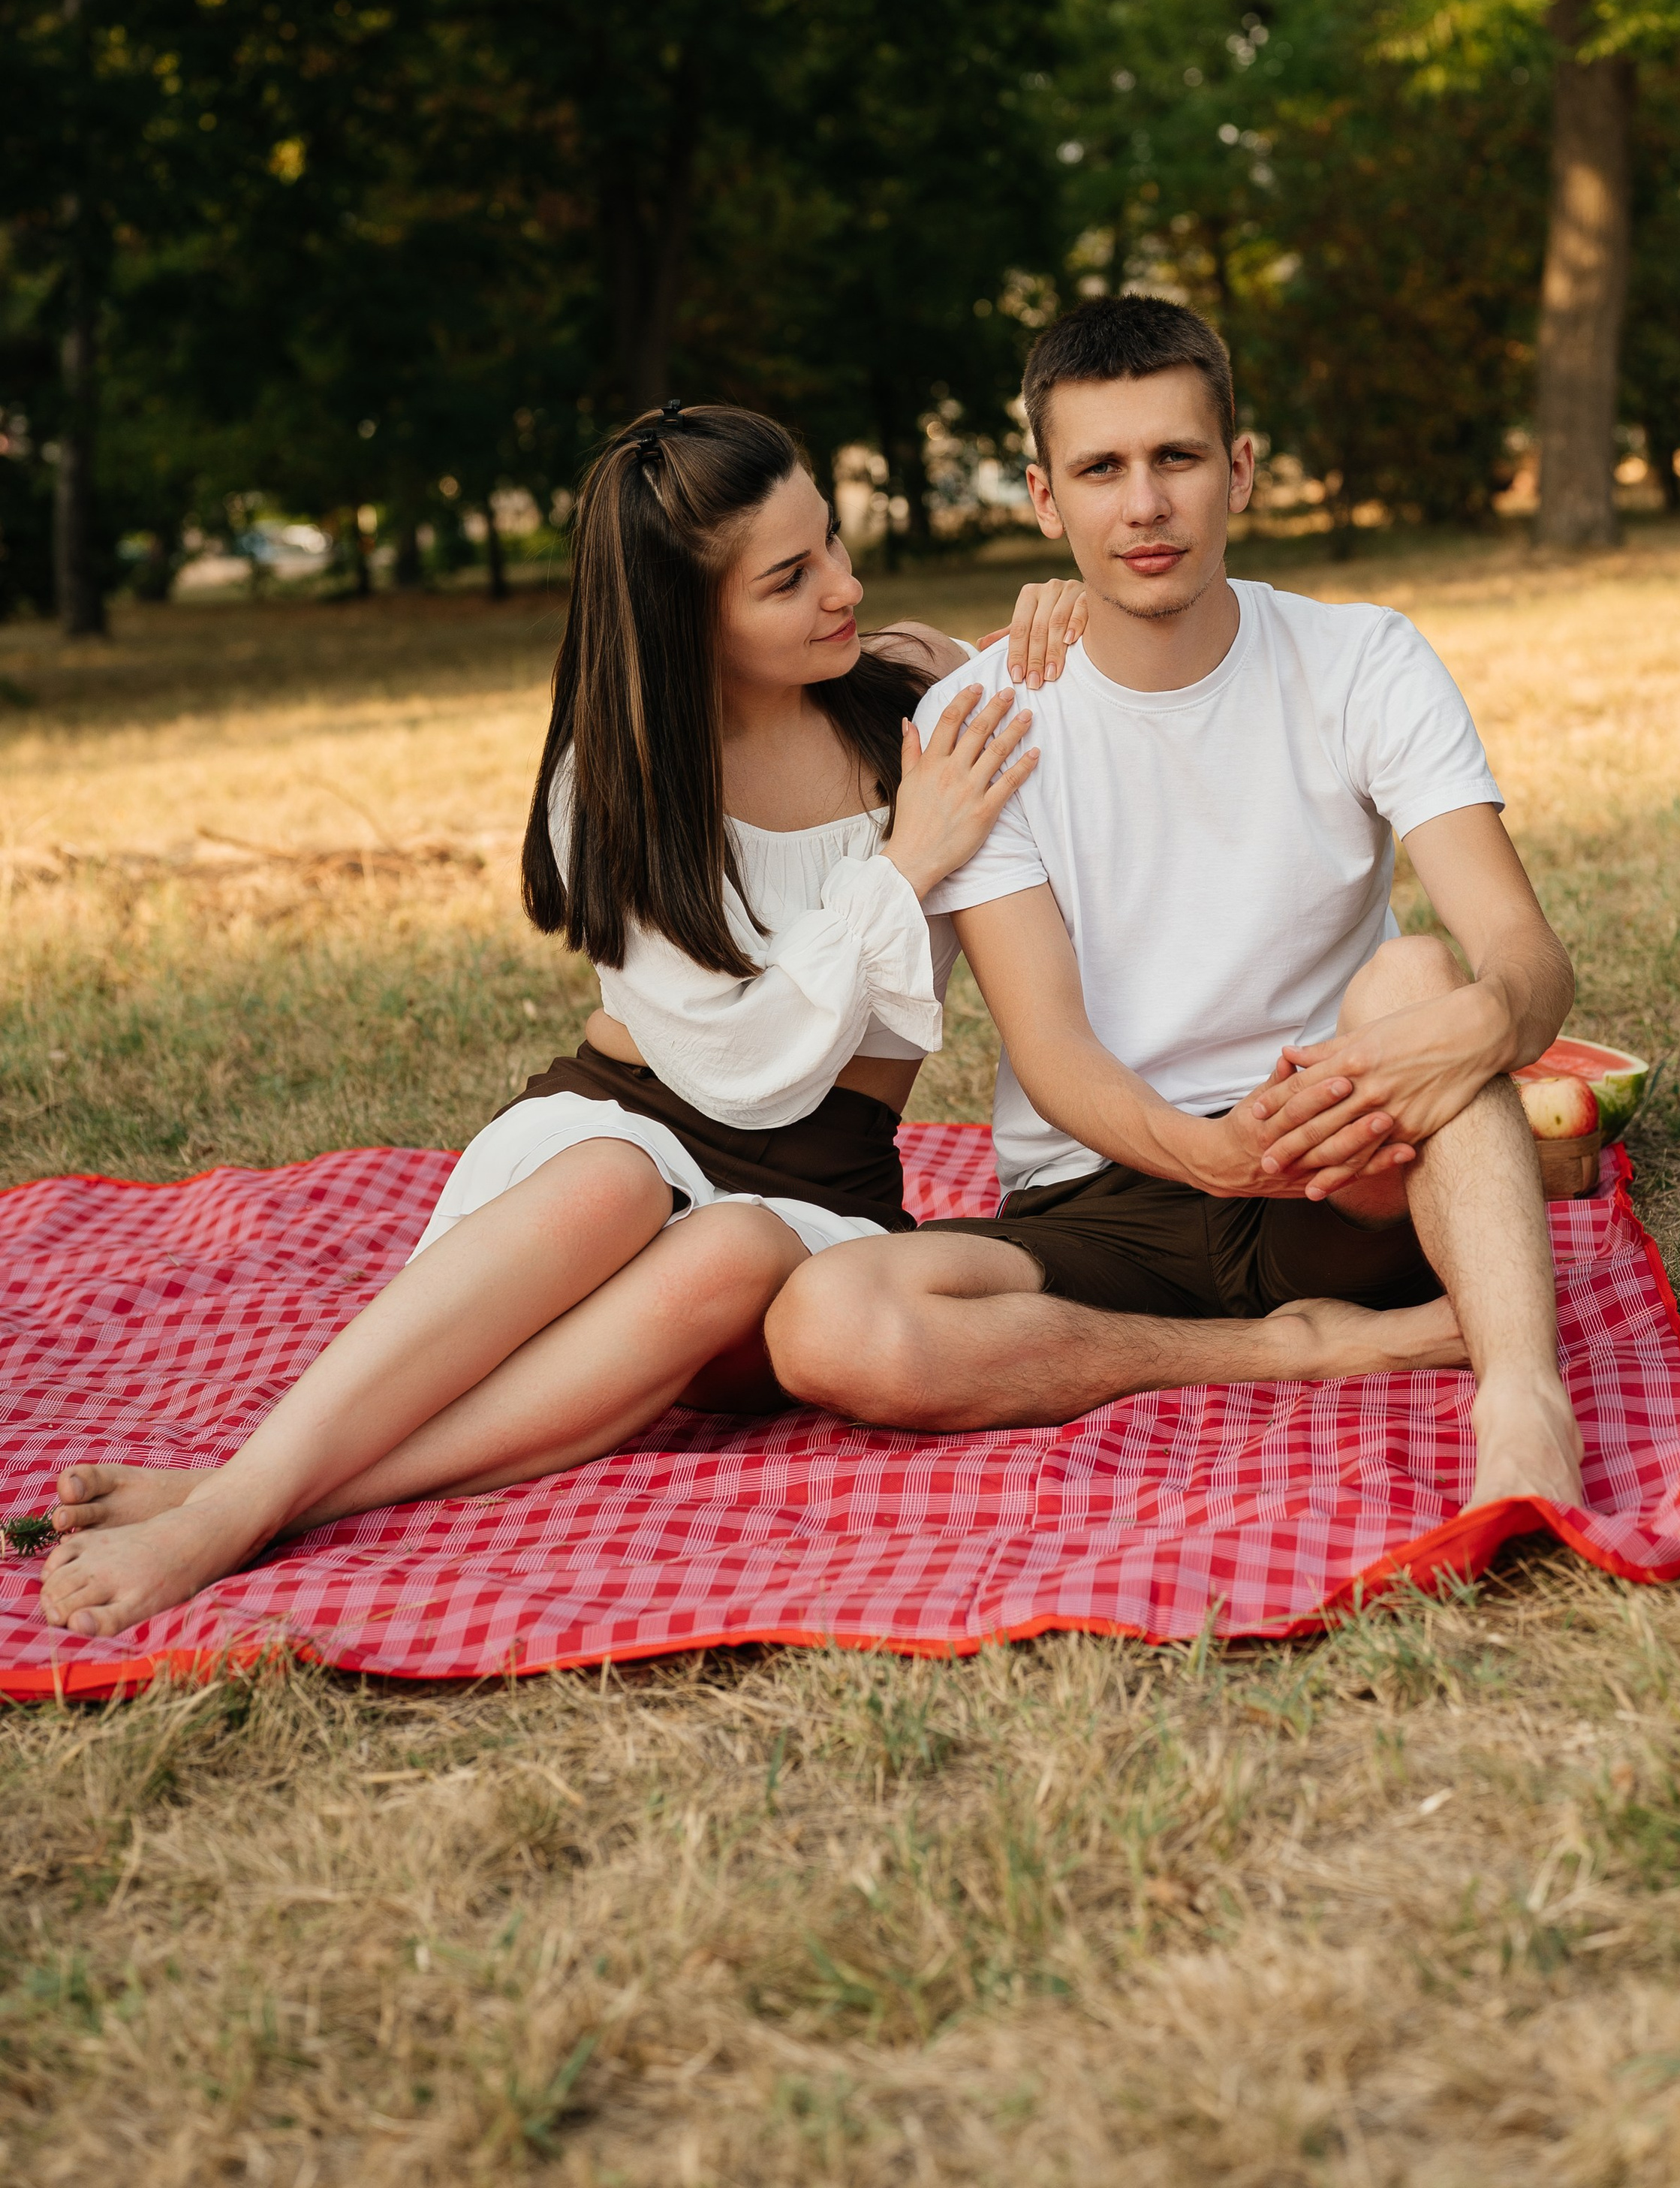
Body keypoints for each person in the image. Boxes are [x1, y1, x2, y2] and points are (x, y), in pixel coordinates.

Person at [39, 402, 1080, 1641]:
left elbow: (1107, 695)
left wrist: (1068, 615)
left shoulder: (907, 696)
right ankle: (246, 1501)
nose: (843, 590)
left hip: (818, 1189)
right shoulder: (617, 781)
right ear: (688, 620)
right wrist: (902, 869)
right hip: (621, 1126)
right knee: (609, 1183)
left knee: (739, 1245)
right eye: (790, 578)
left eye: (835, 546)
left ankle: (241, 1496)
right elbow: (734, 1064)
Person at [767, 298, 1586, 1511]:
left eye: (1177, 458)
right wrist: (1208, 1156)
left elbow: (1523, 953)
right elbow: (1052, 1053)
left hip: (1334, 1152)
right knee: (828, 1322)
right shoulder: (982, 717)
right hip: (1103, 1196)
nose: (1143, 505)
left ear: (1238, 471)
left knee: (1417, 977)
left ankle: (1522, 1404)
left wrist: (1491, 1020)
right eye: (1101, 469)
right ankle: (1314, 1348)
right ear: (1047, 500)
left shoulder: (1364, 662)